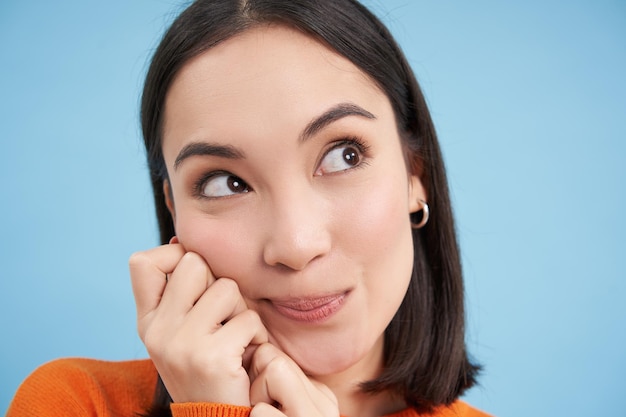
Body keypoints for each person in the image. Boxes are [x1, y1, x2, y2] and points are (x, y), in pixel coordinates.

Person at [8, 1, 491, 416]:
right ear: (175, 210)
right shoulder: (76, 402)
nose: (297, 245)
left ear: (415, 173)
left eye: (343, 155)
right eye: (226, 183)